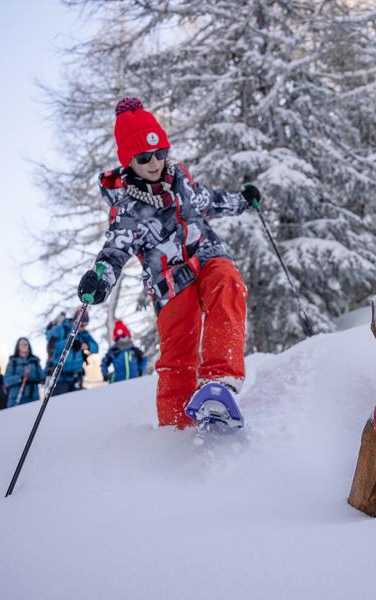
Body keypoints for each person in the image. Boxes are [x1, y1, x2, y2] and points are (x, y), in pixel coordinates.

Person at [76, 97, 260, 428]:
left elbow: (212, 201)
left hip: (205, 255)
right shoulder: (127, 209)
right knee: (178, 358)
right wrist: (99, 279)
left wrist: (242, 201)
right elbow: (114, 251)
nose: (154, 162)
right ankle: (175, 436)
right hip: (169, 283)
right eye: (144, 157)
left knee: (228, 282)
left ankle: (219, 382)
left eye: (160, 152)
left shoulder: (182, 180)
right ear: (127, 159)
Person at [45, 308, 99, 396]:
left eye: (85, 325)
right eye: (82, 325)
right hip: (59, 378)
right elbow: (52, 345)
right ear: (75, 321)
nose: (83, 328)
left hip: (76, 377)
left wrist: (87, 345)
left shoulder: (84, 334)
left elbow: (96, 347)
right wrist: (70, 343)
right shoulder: (62, 329)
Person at [4, 337, 44, 408]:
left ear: (29, 346)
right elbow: (7, 380)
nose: (23, 345)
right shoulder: (13, 361)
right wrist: (20, 378)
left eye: (25, 344)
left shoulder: (35, 361)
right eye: (21, 344)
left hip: (33, 397)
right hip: (16, 398)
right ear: (18, 346)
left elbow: (41, 377)